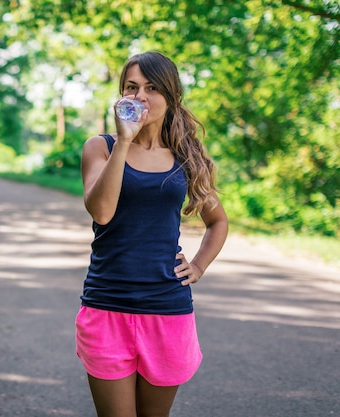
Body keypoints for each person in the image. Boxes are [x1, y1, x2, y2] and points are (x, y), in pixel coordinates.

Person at [75, 51, 229, 417]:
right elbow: (101, 211)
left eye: (152, 87)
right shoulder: (101, 147)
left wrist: (199, 265)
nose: (140, 96)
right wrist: (125, 141)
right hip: (107, 305)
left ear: (171, 95)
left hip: (167, 310)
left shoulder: (187, 157)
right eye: (131, 87)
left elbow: (217, 221)